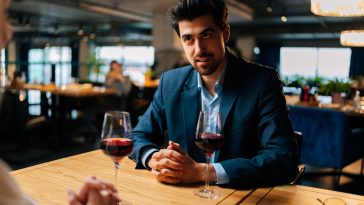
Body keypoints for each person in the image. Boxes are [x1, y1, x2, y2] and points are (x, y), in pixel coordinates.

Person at [132, 0, 298, 187]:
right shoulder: (170, 82)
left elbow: (284, 158)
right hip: (179, 196)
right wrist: (153, 158)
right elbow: (138, 135)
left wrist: (205, 172)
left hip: (239, 195)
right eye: (188, 39)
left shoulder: (263, 82)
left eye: (206, 34)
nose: (199, 49)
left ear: (225, 33)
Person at [0, 1, 120, 204]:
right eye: (3, 14)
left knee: (88, 110)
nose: (9, 32)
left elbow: (121, 92)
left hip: (109, 107)